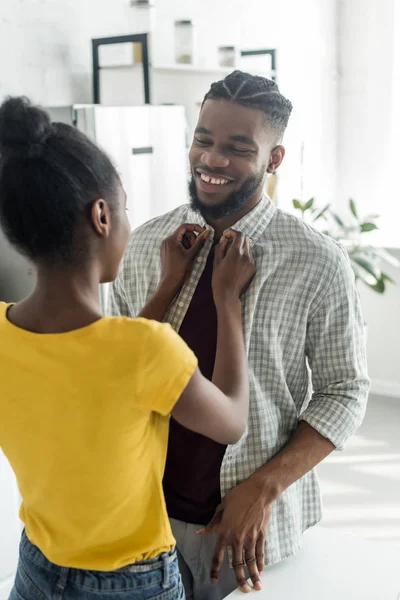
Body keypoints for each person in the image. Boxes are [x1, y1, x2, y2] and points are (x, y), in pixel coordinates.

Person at [109, 70, 370, 600]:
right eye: (203, 140)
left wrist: (264, 487)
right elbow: (120, 371)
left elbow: (345, 391)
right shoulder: (145, 243)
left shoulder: (317, 261)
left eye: (237, 147)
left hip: (244, 531)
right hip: (140, 517)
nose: (212, 160)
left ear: (274, 159)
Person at [0, 96, 256, 600]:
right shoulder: (146, 349)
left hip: (37, 567)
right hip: (130, 582)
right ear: (101, 216)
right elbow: (231, 419)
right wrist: (227, 301)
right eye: (123, 210)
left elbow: (102, 371)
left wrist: (165, 288)